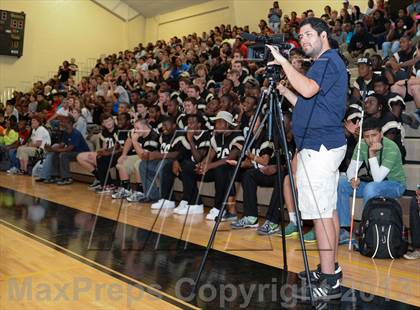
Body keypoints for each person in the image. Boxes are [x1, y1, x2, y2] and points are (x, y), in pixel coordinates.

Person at [267, 17, 348, 301]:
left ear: (324, 35)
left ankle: (330, 283)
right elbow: (307, 101)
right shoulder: (325, 65)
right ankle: (331, 271)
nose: (303, 40)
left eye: (308, 34)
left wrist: (284, 63)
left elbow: (309, 90)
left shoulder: (327, 61)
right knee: (329, 212)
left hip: (320, 147)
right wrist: (286, 90)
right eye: (300, 36)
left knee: (322, 215)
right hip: (322, 145)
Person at [337, 117, 406, 243]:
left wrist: (372, 153)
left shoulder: (391, 147)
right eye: (366, 136)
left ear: (381, 134)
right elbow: (351, 170)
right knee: (341, 182)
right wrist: (353, 178)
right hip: (374, 183)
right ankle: (344, 231)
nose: (370, 140)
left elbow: (378, 178)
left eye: (374, 135)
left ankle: (366, 230)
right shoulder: (361, 144)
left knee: (371, 187)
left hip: (395, 184)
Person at [37, 116, 89, 185]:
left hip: (81, 153)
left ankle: (67, 178)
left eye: (63, 122)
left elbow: (69, 149)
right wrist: (51, 149)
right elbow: (61, 145)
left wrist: (54, 149)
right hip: (73, 152)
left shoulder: (75, 133)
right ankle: (54, 176)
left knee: (64, 155)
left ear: (69, 123)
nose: (61, 123)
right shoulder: (66, 132)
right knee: (55, 153)